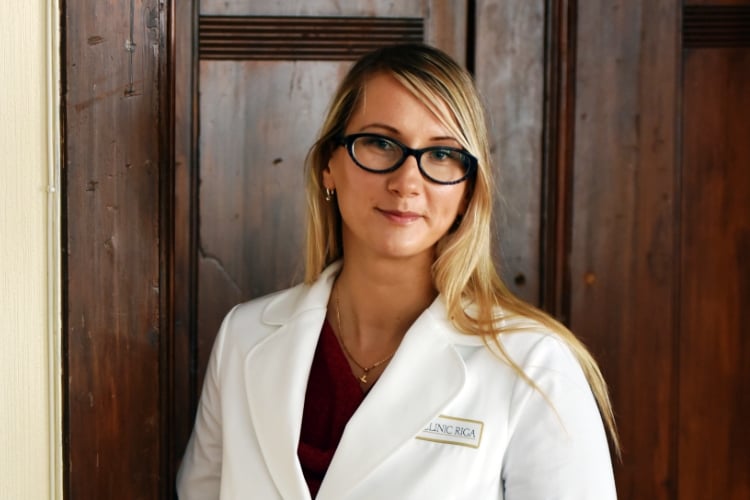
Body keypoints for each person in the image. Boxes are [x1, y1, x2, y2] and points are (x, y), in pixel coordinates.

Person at [177, 43, 619, 499]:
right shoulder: (242, 337)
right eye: (381, 143)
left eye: (442, 154)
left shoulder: (534, 366)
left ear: (468, 190)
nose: (407, 182)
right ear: (329, 165)